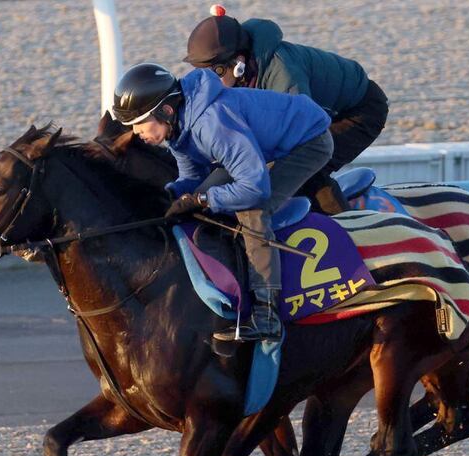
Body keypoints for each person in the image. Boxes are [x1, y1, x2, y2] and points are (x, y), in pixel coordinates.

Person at [111, 63, 333, 342]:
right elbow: (192, 178)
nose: (135, 133)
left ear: (165, 111)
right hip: (262, 145)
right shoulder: (178, 128)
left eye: (139, 124)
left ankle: (267, 314)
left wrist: (203, 199)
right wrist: (167, 197)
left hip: (308, 142)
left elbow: (255, 188)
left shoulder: (210, 124)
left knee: (252, 210)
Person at [183, 6, 389, 215]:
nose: (208, 81)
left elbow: (303, 130)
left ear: (239, 62)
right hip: (322, 112)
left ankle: (346, 230)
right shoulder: (241, 73)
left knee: (305, 171)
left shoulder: (283, 72)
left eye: (215, 72)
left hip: (360, 111)